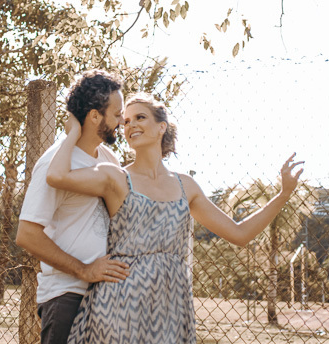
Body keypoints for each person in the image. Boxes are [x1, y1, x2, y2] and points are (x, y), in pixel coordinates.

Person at [46, 93, 304, 344]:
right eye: (125, 121)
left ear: (162, 127)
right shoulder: (114, 177)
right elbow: (56, 177)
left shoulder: (186, 186)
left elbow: (240, 234)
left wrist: (283, 194)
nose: (130, 125)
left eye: (140, 117)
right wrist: (73, 134)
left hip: (171, 305)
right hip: (120, 302)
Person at [15, 69, 132, 344]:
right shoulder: (54, 162)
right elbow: (27, 234)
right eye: (116, 114)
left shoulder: (108, 159)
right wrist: (83, 269)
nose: (121, 121)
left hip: (105, 296)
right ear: (94, 116)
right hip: (66, 296)